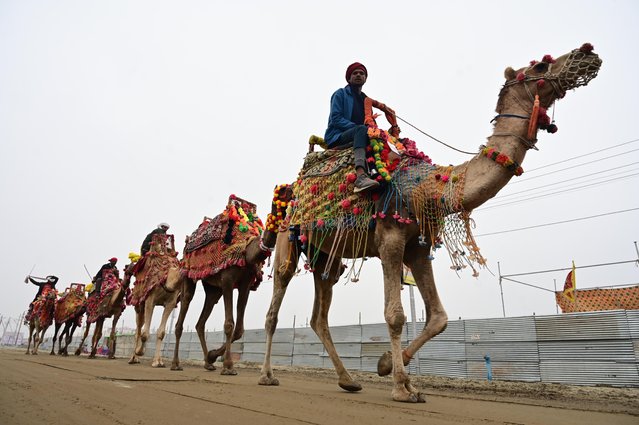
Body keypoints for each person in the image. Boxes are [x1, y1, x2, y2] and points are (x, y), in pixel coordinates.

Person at [324, 62, 398, 193]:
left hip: (359, 134)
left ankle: (380, 174)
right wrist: (359, 128)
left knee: (382, 139)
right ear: (349, 78)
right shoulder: (340, 94)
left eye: (361, 73)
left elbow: (369, 122)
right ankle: (360, 176)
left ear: (365, 78)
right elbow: (335, 118)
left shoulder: (365, 99)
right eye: (355, 73)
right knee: (362, 130)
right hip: (339, 136)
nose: (358, 75)